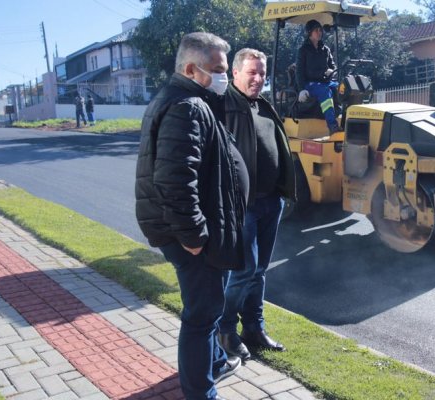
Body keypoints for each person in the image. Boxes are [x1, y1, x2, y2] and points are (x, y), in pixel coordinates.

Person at [135, 32, 247, 400]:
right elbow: (175, 179)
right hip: (191, 236)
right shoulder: (187, 106)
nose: (223, 77)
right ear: (190, 69)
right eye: (217, 69)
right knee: (202, 316)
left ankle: (214, 362)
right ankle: (201, 392)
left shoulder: (184, 99)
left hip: (194, 230)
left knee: (209, 309)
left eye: (225, 69)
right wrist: (194, 237)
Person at [220, 48, 296, 361]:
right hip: (243, 205)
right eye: (252, 72)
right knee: (244, 270)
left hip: (270, 201)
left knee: (260, 270)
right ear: (235, 73)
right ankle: (225, 328)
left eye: (262, 73)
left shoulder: (262, 105)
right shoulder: (224, 105)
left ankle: (253, 327)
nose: (258, 79)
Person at [296, 19, 339, 133]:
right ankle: (332, 125)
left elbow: (333, 66)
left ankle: (343, 119)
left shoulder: (325, 49)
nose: (319, 32)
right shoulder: (303, 50)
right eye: (316, 30)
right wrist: (301, 89)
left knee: (341, 88)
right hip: (310, 84)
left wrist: (331, 71)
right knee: (325, 91)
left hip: (325, 81)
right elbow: (299, 72)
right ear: (309, 32)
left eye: (320, 30)